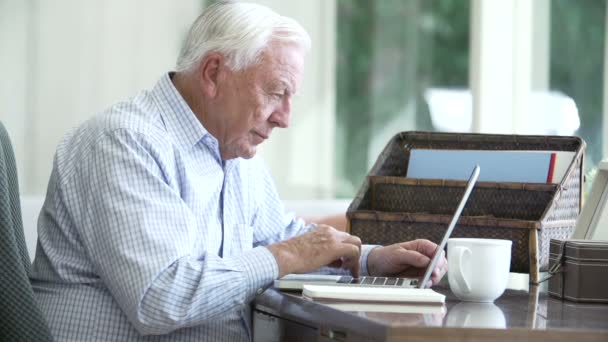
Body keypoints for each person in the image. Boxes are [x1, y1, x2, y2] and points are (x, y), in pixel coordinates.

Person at [30, 2, 447, 341]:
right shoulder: (122, 142)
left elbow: (284, 238)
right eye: (276, 92)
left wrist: (371, 259)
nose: (285, 118)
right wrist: (290, 255)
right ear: (213, 73)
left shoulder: (236, 153)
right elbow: (161, 300)